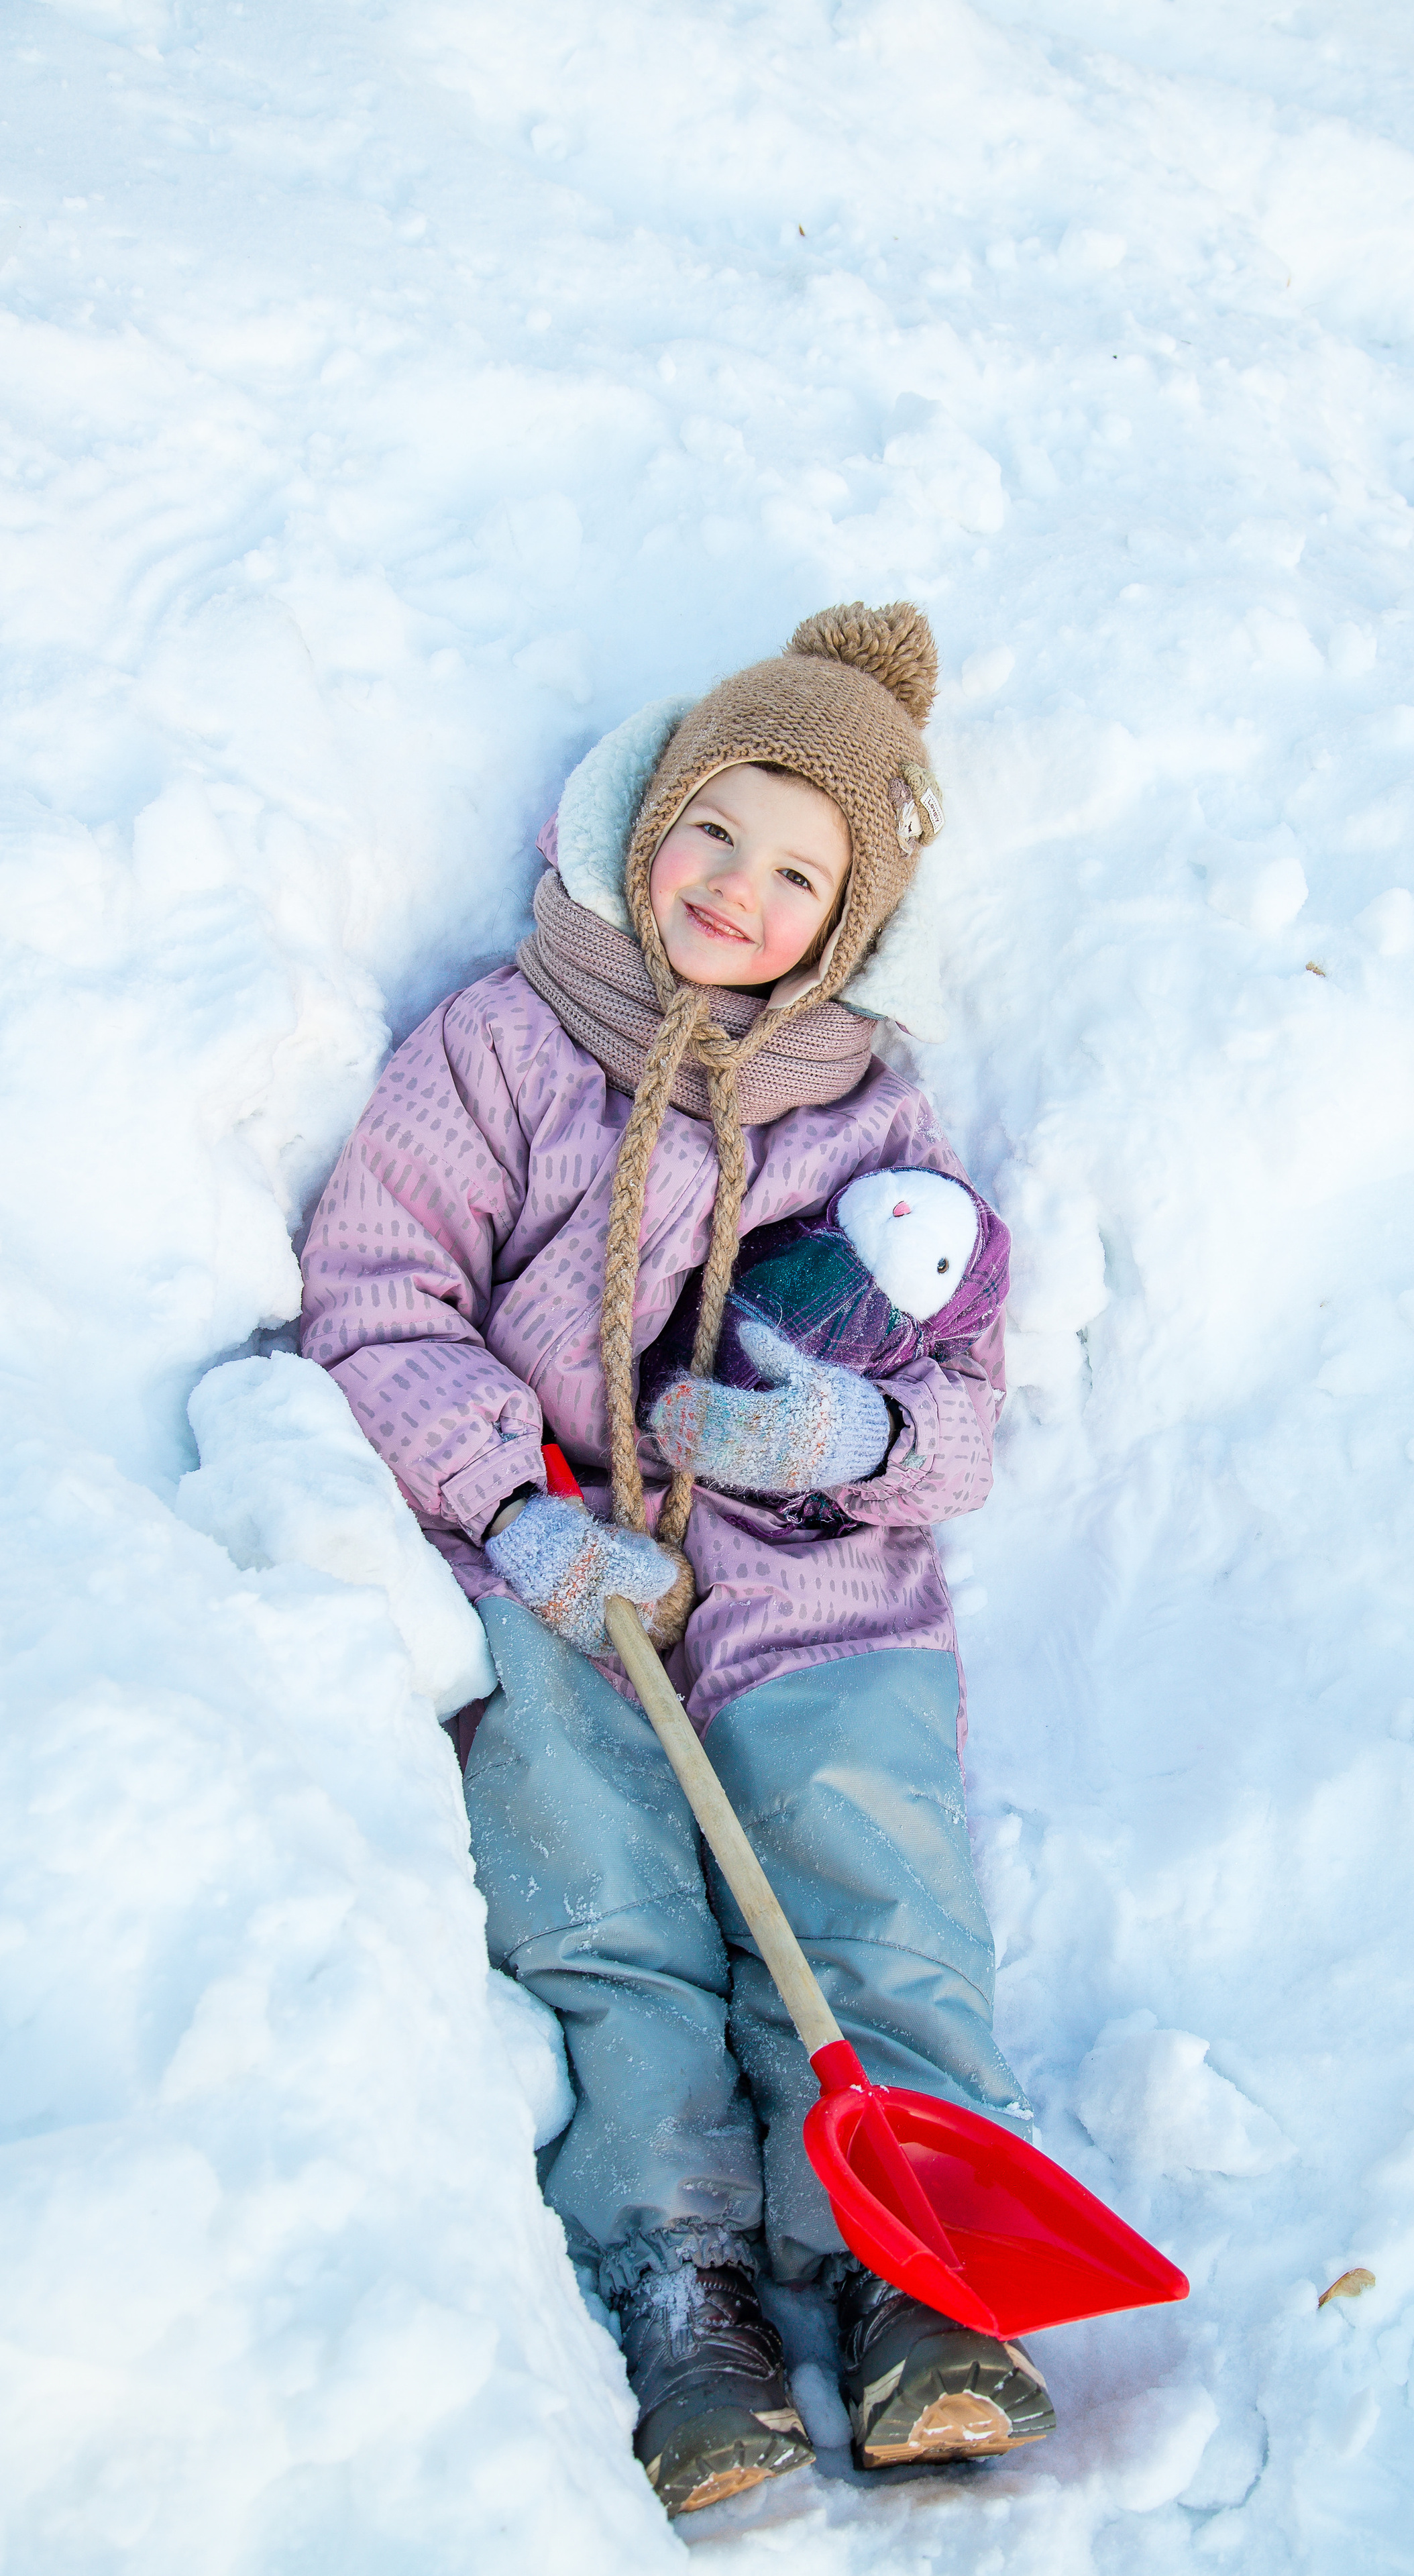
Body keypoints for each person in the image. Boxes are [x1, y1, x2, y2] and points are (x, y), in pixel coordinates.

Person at [299, 602, 1054, 2517]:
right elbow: (378, 1298)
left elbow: (955, 1389)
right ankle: (684, 2287)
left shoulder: (862, 1104)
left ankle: (907, 2279)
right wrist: (515, 1509)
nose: (738, 887)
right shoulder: (500, 1046)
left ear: (850, 921)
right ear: (647, 813)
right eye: (718, 827)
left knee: (874, 1898)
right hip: (566, 1575)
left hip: (816, 1586)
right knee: (603, 1906)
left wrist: (853, 1439)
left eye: (799, 872)